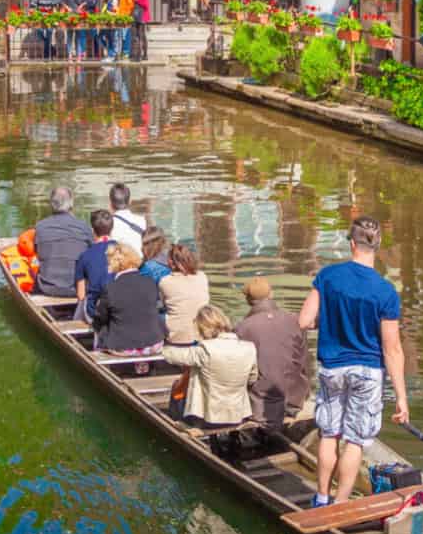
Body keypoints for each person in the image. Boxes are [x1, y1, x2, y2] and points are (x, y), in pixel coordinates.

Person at [297, 216, 406, 508]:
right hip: (368, 372)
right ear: (378, 245)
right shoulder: (386, 292)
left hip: (333, 367)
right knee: (355, 441)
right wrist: (401, 397)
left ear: (351, 242)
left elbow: (305, 320)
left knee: (329, 434)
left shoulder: (329, 277)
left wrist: (330, 319)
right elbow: (392, 349)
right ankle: (341, 504)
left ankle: (321, 497)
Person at [163, 304, 259, 427]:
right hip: (238, 416)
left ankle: (176, 423)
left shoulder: (205, 349)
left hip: (206, 420)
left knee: (176, 386)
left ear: (202, 328)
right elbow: (252, 379)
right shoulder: (249, 348)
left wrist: (158, 346)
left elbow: (172, 356)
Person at [236, 277, 311, 423]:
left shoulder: (242, 328)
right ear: (272, 295)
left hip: (260, 405)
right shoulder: (295, 320)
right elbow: (303, 361)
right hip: (295, 400)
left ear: (248, 300)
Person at [92, 243, 165, 356]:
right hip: (154, 344)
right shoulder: (149, 282)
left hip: (124, 347)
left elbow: (100, 318)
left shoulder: (110, 288)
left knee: (101, 328)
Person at [31, 187, 92, 299]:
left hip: (47, 288)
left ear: (51, 204)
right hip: (78, 288)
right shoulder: (85, 228)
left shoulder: (40, 227)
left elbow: (37, 253)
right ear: (71, 204)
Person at [158, 243, 211, 345]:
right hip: (202, 333)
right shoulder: (202, 276)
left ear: (171, 262)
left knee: (158, 315)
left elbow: (165, 305)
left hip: (177, 338)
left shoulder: (165, 281)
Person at [72, 209, 117, 321]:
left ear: (93, 231)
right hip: (120, 308)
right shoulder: (124, 250)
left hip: (96, 312)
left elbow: (81, 295)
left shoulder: (85, 255)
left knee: (83, 303)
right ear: (112, 230)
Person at [107, 182, 146, 254]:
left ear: (110, 203)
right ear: (129, 202)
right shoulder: (141, 220)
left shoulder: (108, 224)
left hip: (119, 263)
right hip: (139, 262)